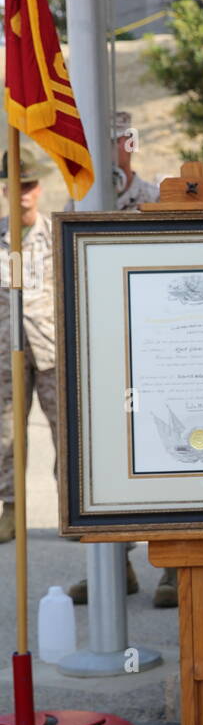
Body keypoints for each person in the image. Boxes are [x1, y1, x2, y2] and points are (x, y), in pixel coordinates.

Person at [67, 112, 168, 605]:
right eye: (102, 144)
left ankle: (170, 560)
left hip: (151, 347)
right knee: (99, 458)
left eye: (117, 143)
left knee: (162, 450)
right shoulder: (81, 198)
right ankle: (109, 563)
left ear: (131, 144)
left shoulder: (155, 197)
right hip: (101, 346)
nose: (111, 153)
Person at [0, 149, 59, 545]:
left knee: (67, 435)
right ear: (5, 188)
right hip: (6, 354)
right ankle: (10, 510)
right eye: (17, 183)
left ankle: (71, 511)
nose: (24, 191)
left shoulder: (56, 234)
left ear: (38, 190)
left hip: (52, 351)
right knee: (6, 435)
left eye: (31, 184)